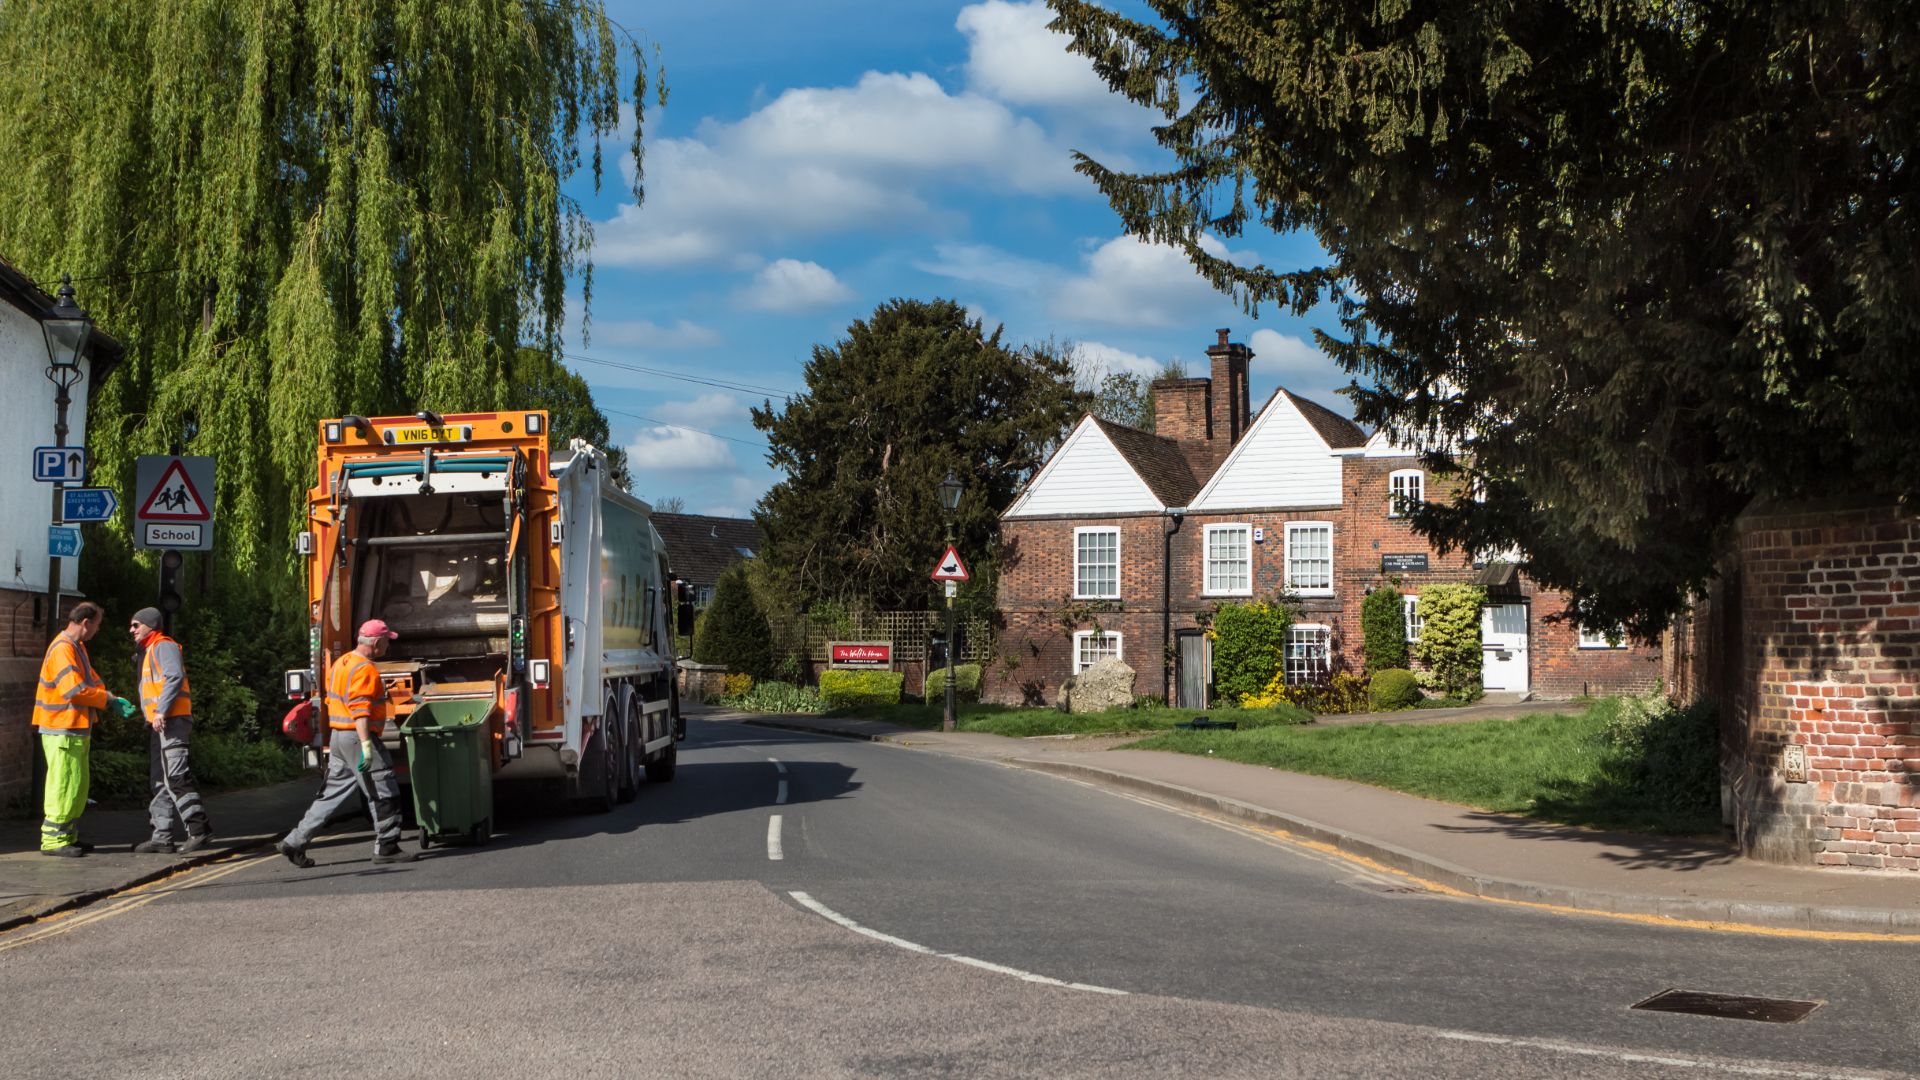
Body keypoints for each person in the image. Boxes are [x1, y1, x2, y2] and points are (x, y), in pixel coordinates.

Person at [276, 619, 419, 867]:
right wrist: (366, 746)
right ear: (375, 643)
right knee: (384, 790)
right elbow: (360, 711)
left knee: (330, 796)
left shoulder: (341, 663)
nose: (388, 646)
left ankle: (294, 841)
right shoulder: (365, 669)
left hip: (339, 739)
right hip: (357, 737)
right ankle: (387, 846)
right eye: (386, 641)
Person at [32, 602, 132, 857]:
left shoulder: (77, 648)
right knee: (64, 784)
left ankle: (67, 836)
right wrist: (107, 700)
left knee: (76, 785)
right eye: (97, 625)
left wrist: (110, 697)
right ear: (86, 623)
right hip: (61, 727)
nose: (98, 630)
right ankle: (54, 841)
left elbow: (90, 680)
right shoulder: (63, 649)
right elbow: (73, 690)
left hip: (73, 727)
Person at [129, 608, 212, 854]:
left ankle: (199, 831)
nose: (131, 630)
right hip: (159, 725)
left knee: (176, 778)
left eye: (136, 625)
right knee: (160, 782)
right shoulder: (148, 650)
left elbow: (174, 677)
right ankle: (162, 837)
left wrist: (161, 711)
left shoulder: (164, 645)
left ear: (150, 625)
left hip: (172, 722)